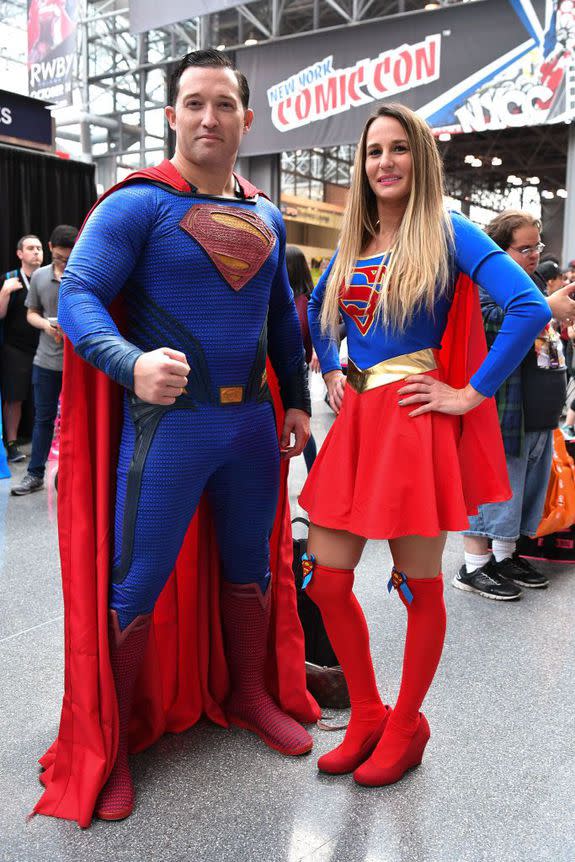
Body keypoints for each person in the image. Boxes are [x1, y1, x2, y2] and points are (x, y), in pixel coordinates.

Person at [34, 49, 318, 827]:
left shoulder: (266, 214)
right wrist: (129, 364)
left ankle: (250, 693)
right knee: (135, 583)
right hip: (169, 429)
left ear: (245, 118)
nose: (207, 118)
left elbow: (277, 326)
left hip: (251, 431)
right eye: (193, 103)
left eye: (223, 104)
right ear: (171, 115)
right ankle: (114, 739)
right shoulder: (137, 206)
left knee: (249, 566)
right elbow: (81, 296)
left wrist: (295, 401)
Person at [297, 104, 551, 788]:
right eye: (373, 150)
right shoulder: (354, 240)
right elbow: (317, 314)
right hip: (358, 423)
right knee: (325, 579)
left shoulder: (445, 229)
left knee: (416, 583)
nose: (383, 161)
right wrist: (329, 370)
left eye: (397, 148)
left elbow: (527, 306)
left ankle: (407, 723)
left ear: (419, 159)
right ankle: (368, 714)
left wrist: (468, 391)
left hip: (413, 423)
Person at [459, 212, 574, 599]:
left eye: (536, 247)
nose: (532, 255)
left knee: (521, 491)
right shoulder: (486, 285)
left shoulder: (532, 282)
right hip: (506, 410)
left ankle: (505, 556)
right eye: (523, 248)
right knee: (494, 489)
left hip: (538, 415)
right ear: (497, 249)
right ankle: (473, 566)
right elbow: (487, 327)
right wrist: (545, 306)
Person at [10, 225, 77, 495]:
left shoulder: (82, 274)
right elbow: (31, 313)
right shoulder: (38, 276)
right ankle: (34, 474)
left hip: (79, 364)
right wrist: (46, 326)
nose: (63, 263)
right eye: (59, 257)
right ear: (50, 248)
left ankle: (73, 475)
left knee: (77, 420)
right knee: (43, 419)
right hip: (46, 361)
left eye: (68, 258)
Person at [0, 235, 43, 462]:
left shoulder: (47, 277)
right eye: (30, 248)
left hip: (44, 348)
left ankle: (47, 444)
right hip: (16, 350)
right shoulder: (9, 279)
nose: (36, 252)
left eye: (38, 248)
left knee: (47, 398)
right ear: (19, 254)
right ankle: (12, 444)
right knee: (14, 398)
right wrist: (5, 292)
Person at [286, 244, 318, 472]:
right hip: (295, 369)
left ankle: (315, 474)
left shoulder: (303, 303)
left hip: (294, 371)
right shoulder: (301, 301)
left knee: (301, 426)